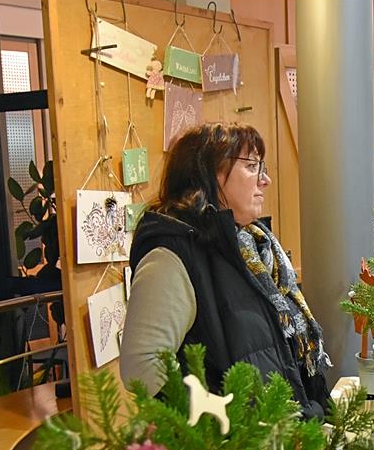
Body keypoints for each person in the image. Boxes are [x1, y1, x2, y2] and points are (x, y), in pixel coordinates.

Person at [120, 122, 332, 420]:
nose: (266, 180)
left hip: (278, 444)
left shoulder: (252, 246)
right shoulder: (173, 255)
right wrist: (225, 423)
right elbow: (141, 367)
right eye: (252, 166)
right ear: (208, 173)